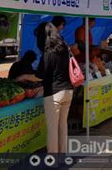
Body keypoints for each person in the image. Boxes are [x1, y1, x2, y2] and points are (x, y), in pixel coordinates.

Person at [18, 22, 73, 153]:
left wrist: (23, 76)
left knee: (52, 129)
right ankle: (62, 154)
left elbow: (40, 76)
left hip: (54, 93)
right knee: (63, 126)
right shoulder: (65, 48)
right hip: (68, 91)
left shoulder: (48, 52)